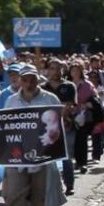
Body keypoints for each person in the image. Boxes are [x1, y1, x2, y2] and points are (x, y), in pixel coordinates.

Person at [2, 64, 63, 206]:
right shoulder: (11, 100)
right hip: (17, 157)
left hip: (42, 156)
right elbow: (4, 125)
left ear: (38, 79)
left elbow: (57, 126)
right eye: (25, 79)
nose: (29, 83)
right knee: (14, 194)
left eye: (32, 79)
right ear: (20, 81)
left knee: (41, 196)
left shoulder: (50, 98)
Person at [42, 59, 77, 195]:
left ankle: (69, 184)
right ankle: (55, 185)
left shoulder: (69, 86)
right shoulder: (43, 88)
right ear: (48, 70)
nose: (56, 71)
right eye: (52, 68)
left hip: (66, 125)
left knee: (67, 156)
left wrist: (61, 111)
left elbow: (70, 105)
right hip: (48, 127)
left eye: (58, 68)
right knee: (50, 157)